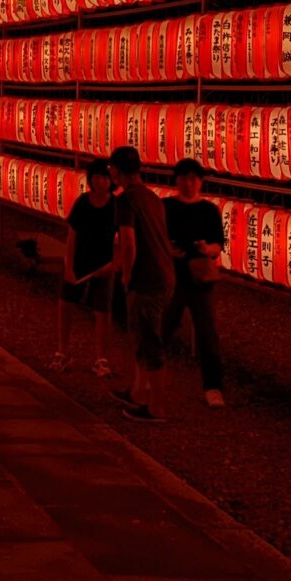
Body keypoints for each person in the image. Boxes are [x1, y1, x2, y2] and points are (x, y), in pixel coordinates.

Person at [106, 146, 175, 422]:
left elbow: (129, 242)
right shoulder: (152, 197)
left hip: (146, 277)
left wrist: (126, 274)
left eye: (111, 168)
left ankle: (156, 406)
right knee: (142, 335)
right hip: (164, 274)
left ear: (117, 171)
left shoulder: (126, 201)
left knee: (149, 339)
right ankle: (138, 391)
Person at [158, 158, 228, 407]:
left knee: (208, 334)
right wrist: (168, 248)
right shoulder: (165, 207)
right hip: (172, 276)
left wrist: (205, 248)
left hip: (200, 279)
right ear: (176, 180)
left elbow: (218, 244)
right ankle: (150, 378)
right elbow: (157, 238)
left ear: (200, 182)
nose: (189, 183)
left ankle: (213, 387)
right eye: (184, 178)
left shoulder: (209, 210)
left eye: (193, 178)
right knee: (163, 328)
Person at [53, 158, 126, 377]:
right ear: (91, 179)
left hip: (103, 264)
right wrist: (68, 264)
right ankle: (62, 351)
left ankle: (101, 358)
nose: (101, 182)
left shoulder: (116, 206)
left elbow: (124, 238)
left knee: (102, 311)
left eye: (105, 177)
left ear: (111, 181)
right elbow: (72, 234)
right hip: (79, 261)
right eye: (97, 177)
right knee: (65, 305)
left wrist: (115, 264)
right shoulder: (83, 202)